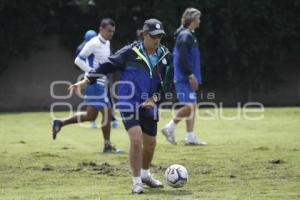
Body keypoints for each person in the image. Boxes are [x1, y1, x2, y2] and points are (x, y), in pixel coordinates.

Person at [68, 18, 172, 194]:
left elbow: (167, 84)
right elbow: (106, 66)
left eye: (160, 36)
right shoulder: (130, 52)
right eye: (154, 36)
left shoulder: (165, 56)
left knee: (151, 143)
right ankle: (137, 181)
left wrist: (155, 98)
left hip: (149, 102)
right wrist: (85, 81)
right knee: (136, 139)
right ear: (144, 34)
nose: (157, 40)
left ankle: (146, 175)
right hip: (128, 101)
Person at [52, 18, 122, 153]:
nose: (111, 34)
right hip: (94, 84)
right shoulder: (93, 43)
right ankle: (107, 146)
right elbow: (78, 60)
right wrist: (92, 73)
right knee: (107, 112)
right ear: (101, 29)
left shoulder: (106, 42)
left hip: (99, 83)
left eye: (113, 32)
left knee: (90, 116)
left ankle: (59, 123)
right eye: (108, 31)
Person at [161, 8, 207, 145]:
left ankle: (190, 136)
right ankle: (169, 127)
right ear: (192, 20)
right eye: (198, 19)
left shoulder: (188, 35)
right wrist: (190, 75)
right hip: (184, 77)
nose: (199, 22)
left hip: (187, 77)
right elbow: (182, 60)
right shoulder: (185, 36)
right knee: (190, 106)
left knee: (192, 106)